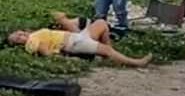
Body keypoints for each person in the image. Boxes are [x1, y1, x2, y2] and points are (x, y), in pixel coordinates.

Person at [7, 19, 152, 67]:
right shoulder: (32, 42)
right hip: (73, 43)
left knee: (101, 23)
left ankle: (108, 53)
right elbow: (47, 53)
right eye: (17, 39)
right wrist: (64, 57)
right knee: (106, 50)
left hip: (76, 37)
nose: (21, 36)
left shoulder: (33, 34)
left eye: (18, 33)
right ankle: (135, 62)